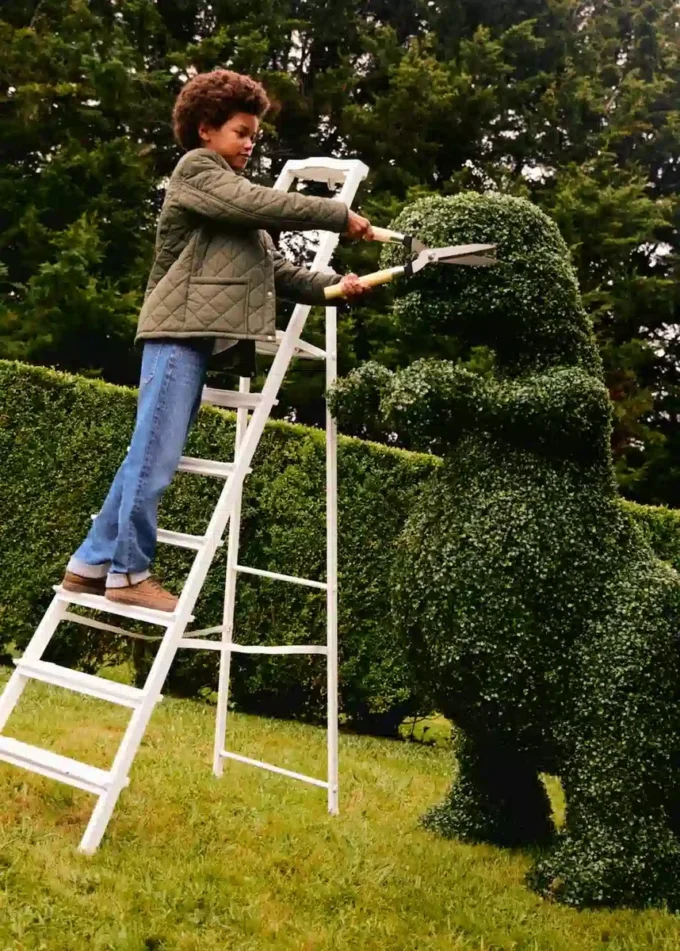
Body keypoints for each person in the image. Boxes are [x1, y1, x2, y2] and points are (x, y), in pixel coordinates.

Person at [61, 69, 373, 612]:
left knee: (150, 452)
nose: (251, 143)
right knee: (154, 456)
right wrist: (336, 215)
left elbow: (281, 273)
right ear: (206, 130)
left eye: (254, 134)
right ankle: (128, 573)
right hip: (177, 330)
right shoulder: (199, 171)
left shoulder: (239, 211)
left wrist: (336, 287)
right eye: (241, 132)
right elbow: (254, 202)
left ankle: (89, 565)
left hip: (195, 333)